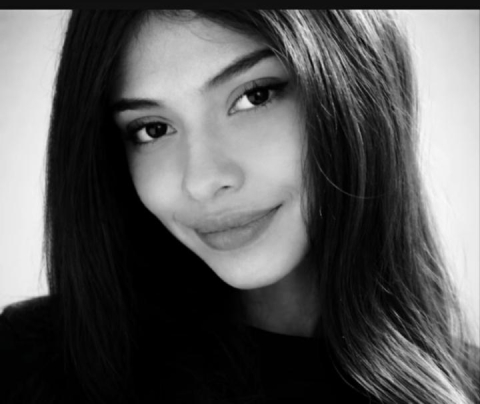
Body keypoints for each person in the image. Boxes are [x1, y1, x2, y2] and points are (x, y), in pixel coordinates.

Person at [0, 10, 478, 404]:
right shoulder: (37, 366)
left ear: (357, 91)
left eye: (254, 96)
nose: (203, 181)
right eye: (152, 128)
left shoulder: (463, 387)